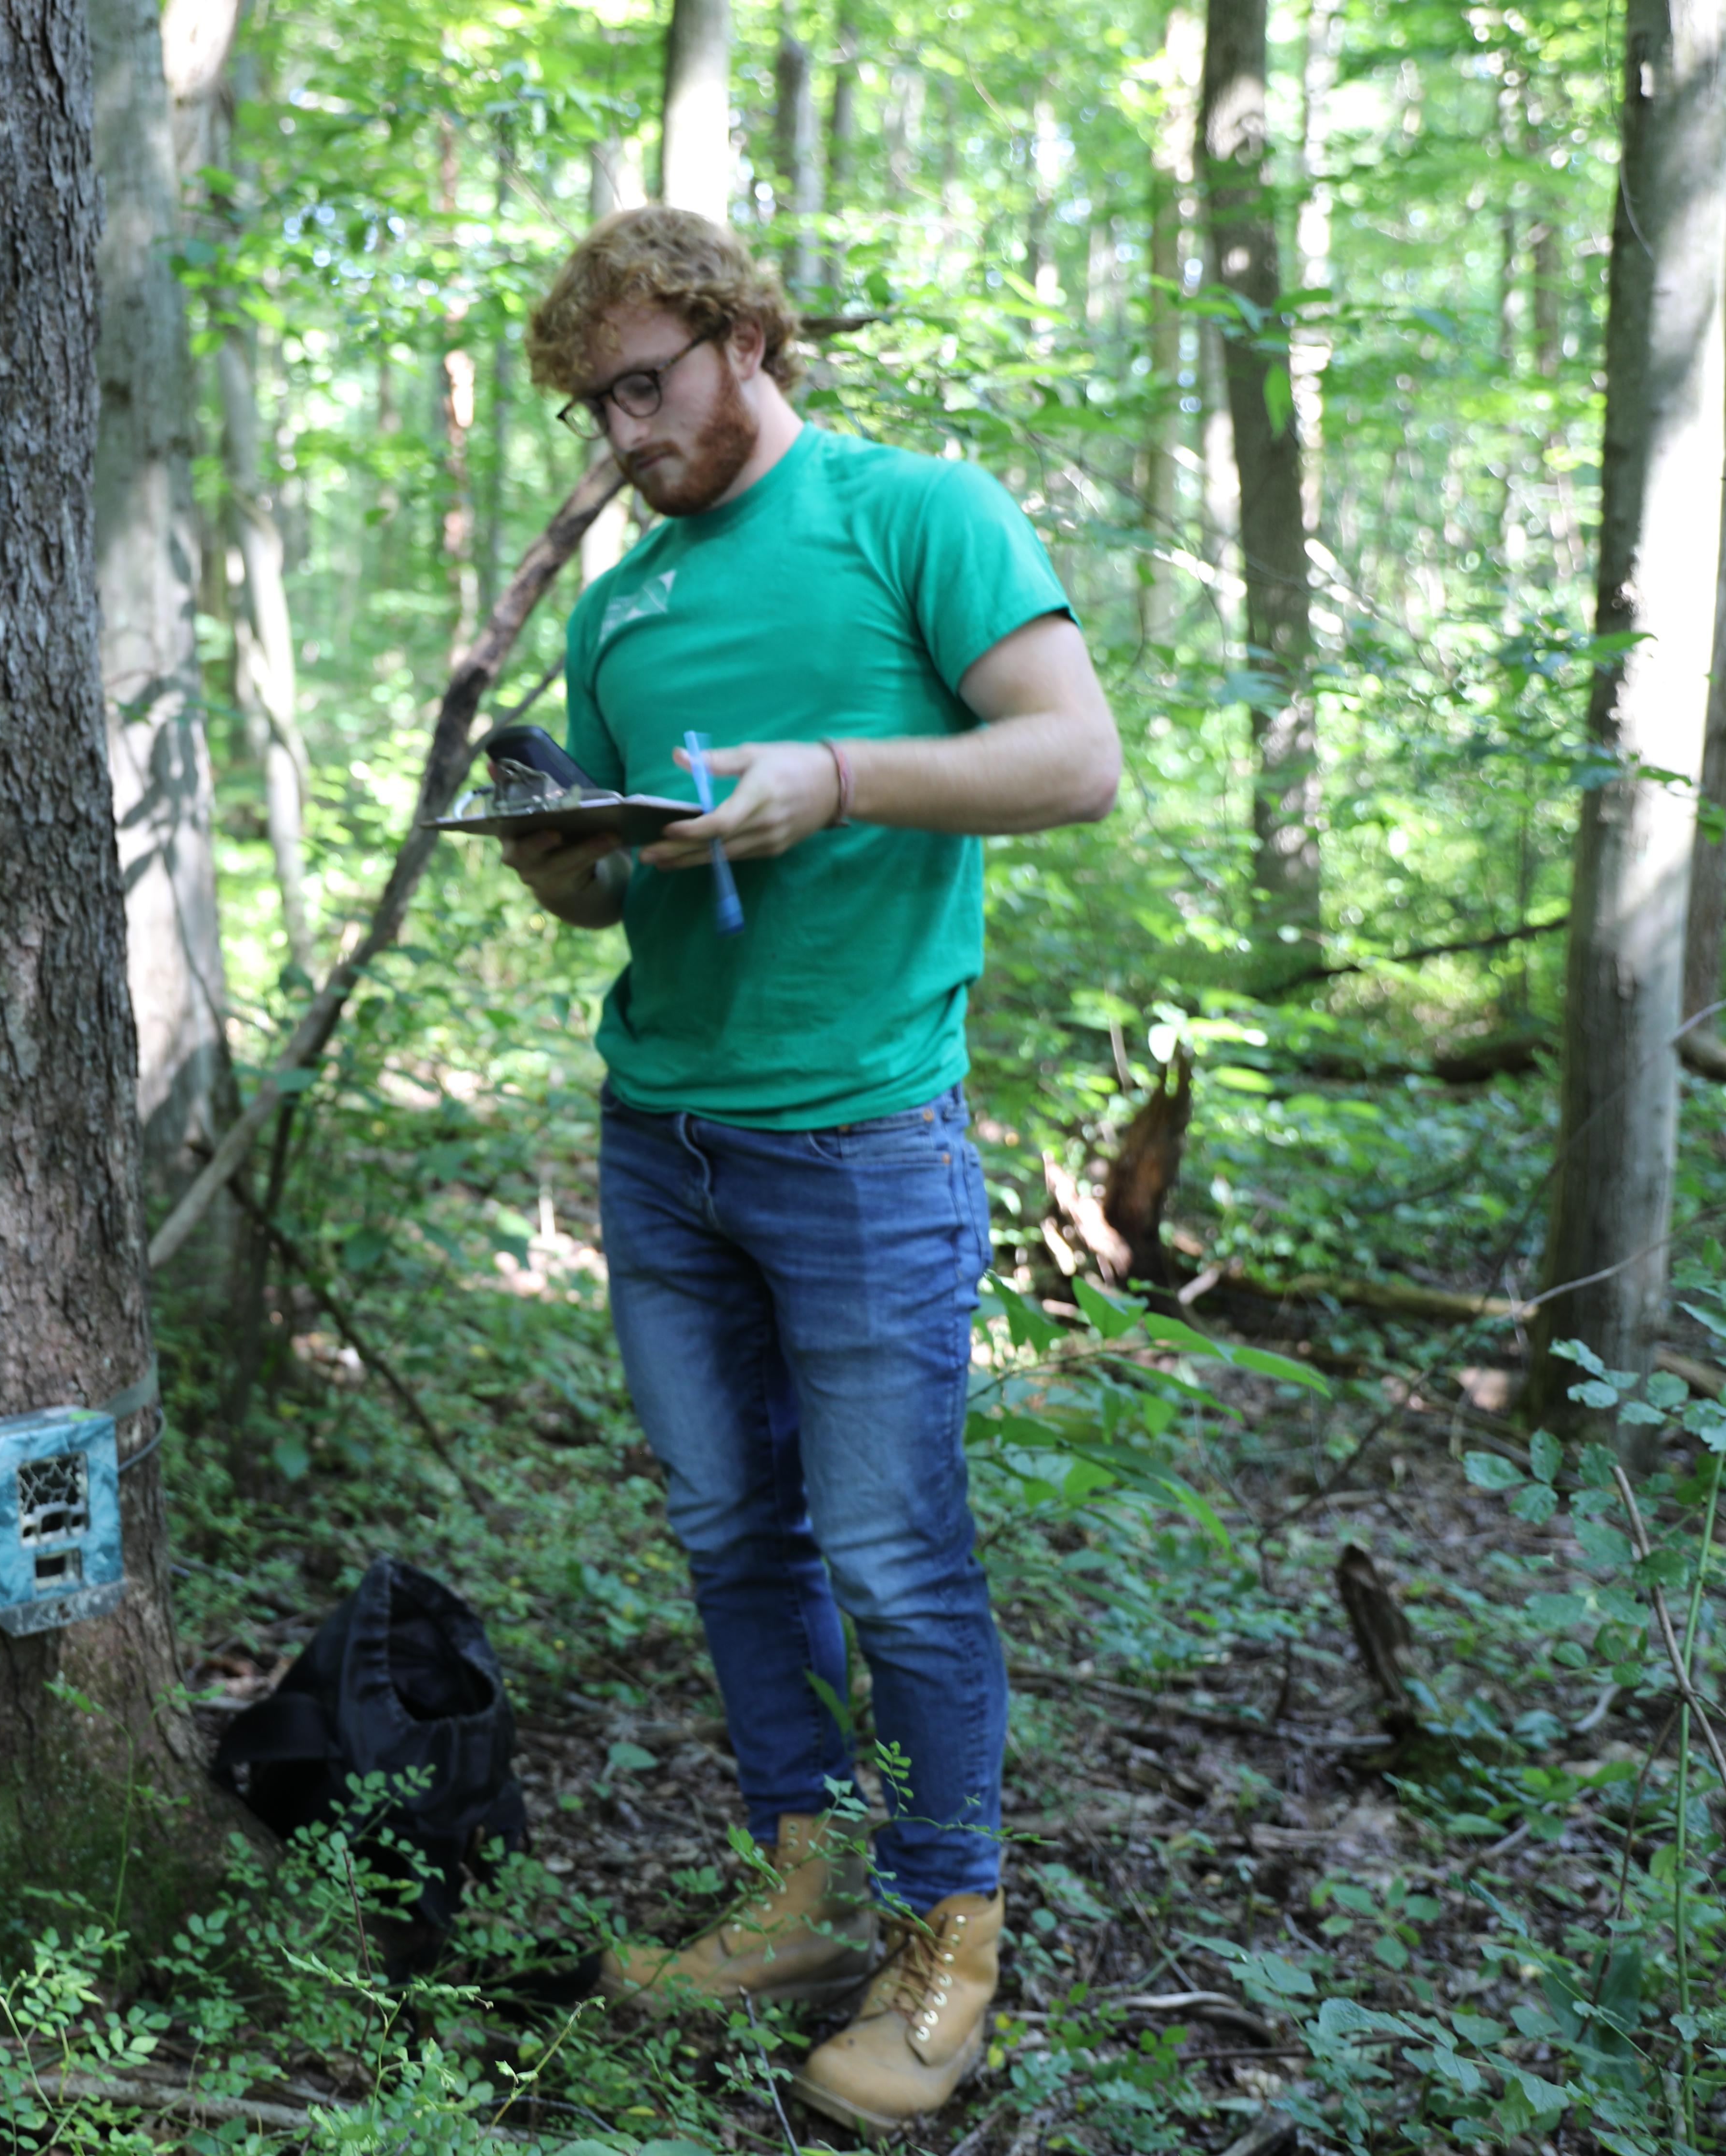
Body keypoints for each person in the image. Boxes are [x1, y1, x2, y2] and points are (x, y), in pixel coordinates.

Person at [508, 206, 1120, 2130]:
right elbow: (623, 896)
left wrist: (836, 773)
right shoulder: (624, 612)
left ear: (741, 333)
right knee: (724, 1531)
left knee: (891, 1555)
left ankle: (952, 1938)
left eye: (644, 385)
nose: (622, 433)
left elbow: (1074, 760)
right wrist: (566, 861)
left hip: (859, 1142)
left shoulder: (914, 514)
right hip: (662, 1138)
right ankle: (804, 1882)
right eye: (591, 408)